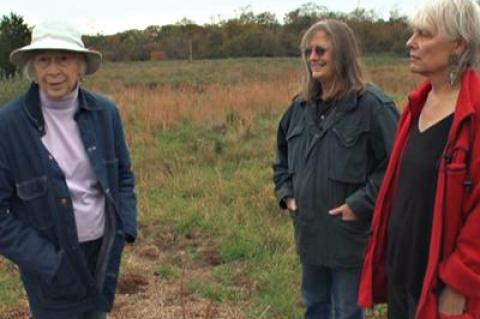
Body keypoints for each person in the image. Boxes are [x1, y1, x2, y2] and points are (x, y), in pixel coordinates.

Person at [0, 20, 137, 319]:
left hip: (100, 252)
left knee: (96, 314)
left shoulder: (105, 113)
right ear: (32, 67)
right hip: (49, 260)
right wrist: (48, 261)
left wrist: (125, 226)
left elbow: (124, 176)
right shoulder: (8, 126)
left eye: (63, 58)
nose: (53, 71)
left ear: (80, 64)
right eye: (43, 59)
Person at [358, 0, 480, 318]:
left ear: (459, 44)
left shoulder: (474, 113)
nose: (411, 42)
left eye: (424, 34)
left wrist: (458, 283)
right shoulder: (417, 104)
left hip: (442, 289)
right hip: (405, 275)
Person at [273, 19, 398, 319]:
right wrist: (287, 195)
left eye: (321, 50)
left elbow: (396, 167)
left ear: (342, 54)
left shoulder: (372, 106)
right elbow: (282, 158)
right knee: (314, 304)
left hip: (351, 239)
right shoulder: (299, 108)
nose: (312, 57)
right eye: (308, 51)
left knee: (347, 311)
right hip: (310, 234)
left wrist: (359, 204)